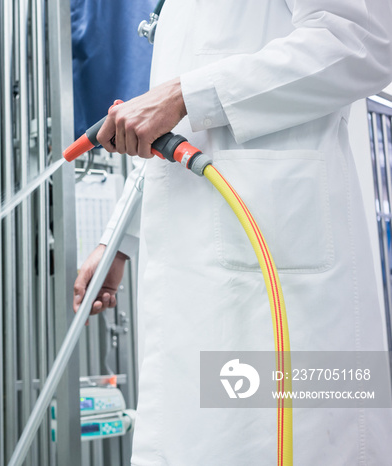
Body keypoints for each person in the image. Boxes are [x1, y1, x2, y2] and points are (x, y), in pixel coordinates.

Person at [73, 1, 392, 464]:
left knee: (294, 438)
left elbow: (363, 41)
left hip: (286, 273)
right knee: (201, 438)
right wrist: (120, 239)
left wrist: (187, 94)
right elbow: (179, 139)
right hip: (212, 264)